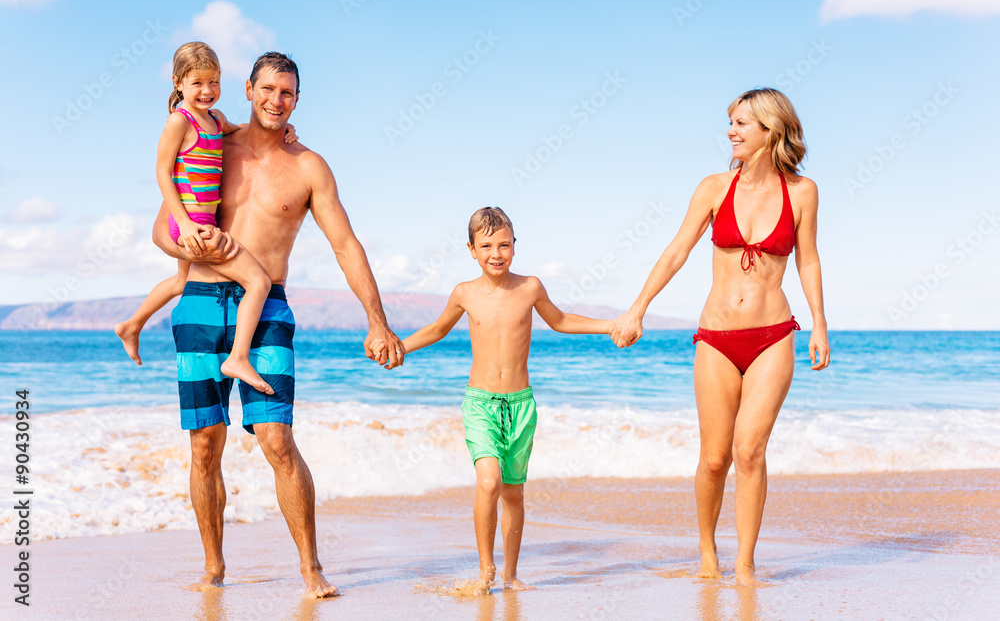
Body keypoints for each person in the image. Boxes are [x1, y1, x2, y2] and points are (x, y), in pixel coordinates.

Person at [151, 51, 405, 598]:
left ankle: (311, 567)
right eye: (267, 89)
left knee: (278, 439)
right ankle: (214, 566)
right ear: (247, 88)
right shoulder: (214, 143)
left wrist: (376, 320)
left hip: (268, 306)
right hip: (198, 299)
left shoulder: (308, 165)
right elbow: (161, 227)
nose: (276, 100)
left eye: (287, 92)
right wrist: (190, 242)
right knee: (204, 443)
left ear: (297, 99)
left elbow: (345, 244)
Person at [610, 88, 831, 586]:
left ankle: (745, 563)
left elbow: (808, 259)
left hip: (773, 335)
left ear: (770, 131)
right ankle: (707, 550)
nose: (731, 131)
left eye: (741, 123)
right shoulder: (713, 187)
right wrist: (636, 309)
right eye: (730, 122)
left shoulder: (803, 191)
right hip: (716, 338)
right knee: (715, 458)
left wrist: (819, 323)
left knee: (750, 449)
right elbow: (675, 252)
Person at [387, 207, 613, 595]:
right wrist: (399, 346)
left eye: (504, 244)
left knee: (513, 491)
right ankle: (485, 569)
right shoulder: (465, 292)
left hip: (521, 405)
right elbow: (438, 329)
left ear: (514, 246)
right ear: (471, 250)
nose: (496, 253)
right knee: (488, 481)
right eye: (487, 245)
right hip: (480, 403)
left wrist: (610, 325)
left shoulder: (530, 288)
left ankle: (510, 574)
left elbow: (560, 320)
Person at [114, 42, 295, 394]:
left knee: (181, 283)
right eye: (197, 83)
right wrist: (183, 224)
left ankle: (132, 324)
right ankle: (238, 357)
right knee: (258, 282)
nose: (207, 91)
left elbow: (246, 129)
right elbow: (163, 174)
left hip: (201, 225)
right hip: (192, 225)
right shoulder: (177, 123)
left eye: (213, 82)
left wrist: (283, 129)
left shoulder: (216, 120)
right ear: (178, 82)